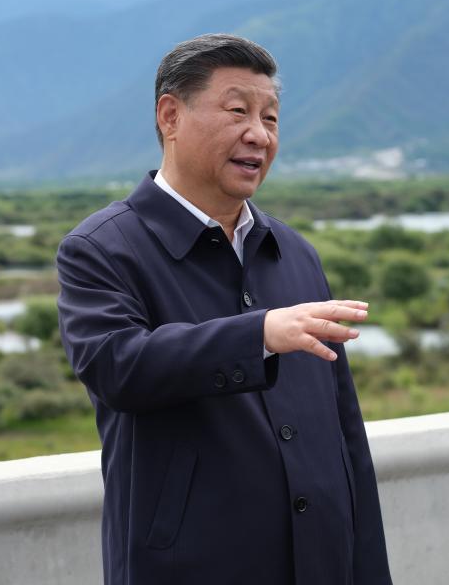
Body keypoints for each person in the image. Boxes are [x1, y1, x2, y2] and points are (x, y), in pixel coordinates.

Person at [56, 33, 393, 585]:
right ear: (170, 116)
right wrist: (259, 334)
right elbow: (118, 367)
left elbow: (346, 436)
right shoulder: (102, 248)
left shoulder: (295, 252)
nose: (259, 134)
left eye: (271, 118)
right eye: (238, 111)